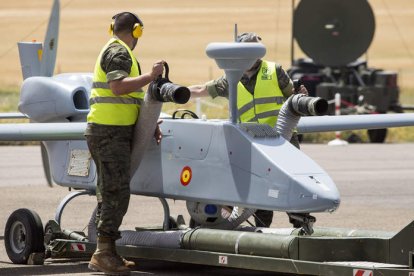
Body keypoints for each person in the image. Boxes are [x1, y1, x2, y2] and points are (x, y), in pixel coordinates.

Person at [189, 32, 308, 228]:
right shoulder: (230, 77)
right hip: (252, 142)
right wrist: (173, 91)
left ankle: (301, 225)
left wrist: (302, 97)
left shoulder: (274, 71)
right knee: (259, 187)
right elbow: (201, 90)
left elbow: (293, 99)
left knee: (293, 182)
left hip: (282, 138)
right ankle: (261, 229)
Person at [85, 12, 164, 275]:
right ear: (136, 31)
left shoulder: (117, 51)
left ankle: (108, 251)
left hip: (113, 132)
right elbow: (118, 87)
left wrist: (148, 123)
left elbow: (127, 98)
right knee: (115, 193)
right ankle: (103, 253)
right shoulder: (118, 52)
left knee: (112, 192)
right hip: (108, 133)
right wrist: (150, 78)